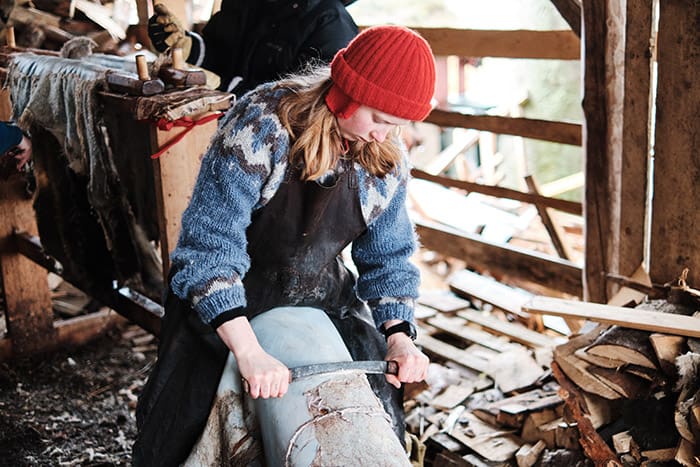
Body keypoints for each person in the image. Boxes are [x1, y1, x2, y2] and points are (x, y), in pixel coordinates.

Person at [134, 24, 435, 466]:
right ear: (345, 94)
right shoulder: (261, 128)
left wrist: (400, 337)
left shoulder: (384, 155)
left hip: (320, 300)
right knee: (181, 429)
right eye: (379, 119)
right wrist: (249, 352)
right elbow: (207, 249)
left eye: (396, 126)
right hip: (226, 305)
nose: (383, 135)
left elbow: (388, 257)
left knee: (377, 414)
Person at [148, 0, 358, 93]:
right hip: (210, 127)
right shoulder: (245, 4)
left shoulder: (331, 23)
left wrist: (225, 89)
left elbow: (303, 106)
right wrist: (188, 47)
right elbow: (220, 52)